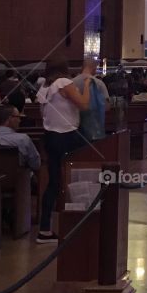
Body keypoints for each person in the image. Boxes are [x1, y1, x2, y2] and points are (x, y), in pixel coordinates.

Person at [35, 60, 94, 243]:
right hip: (67, 136)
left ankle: (44, 229)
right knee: (81, 173)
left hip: (50, 136)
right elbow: (84, 105)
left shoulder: (45, 87)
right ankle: (82, 218)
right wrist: (86, 85)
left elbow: (44, 114)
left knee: (54, 183)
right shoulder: (63, 83)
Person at [0, 106, 41, 171]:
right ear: (10, 119)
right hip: (18, 179)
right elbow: (35, 165)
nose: (20, 121)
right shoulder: (23, 139)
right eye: (18, 117)